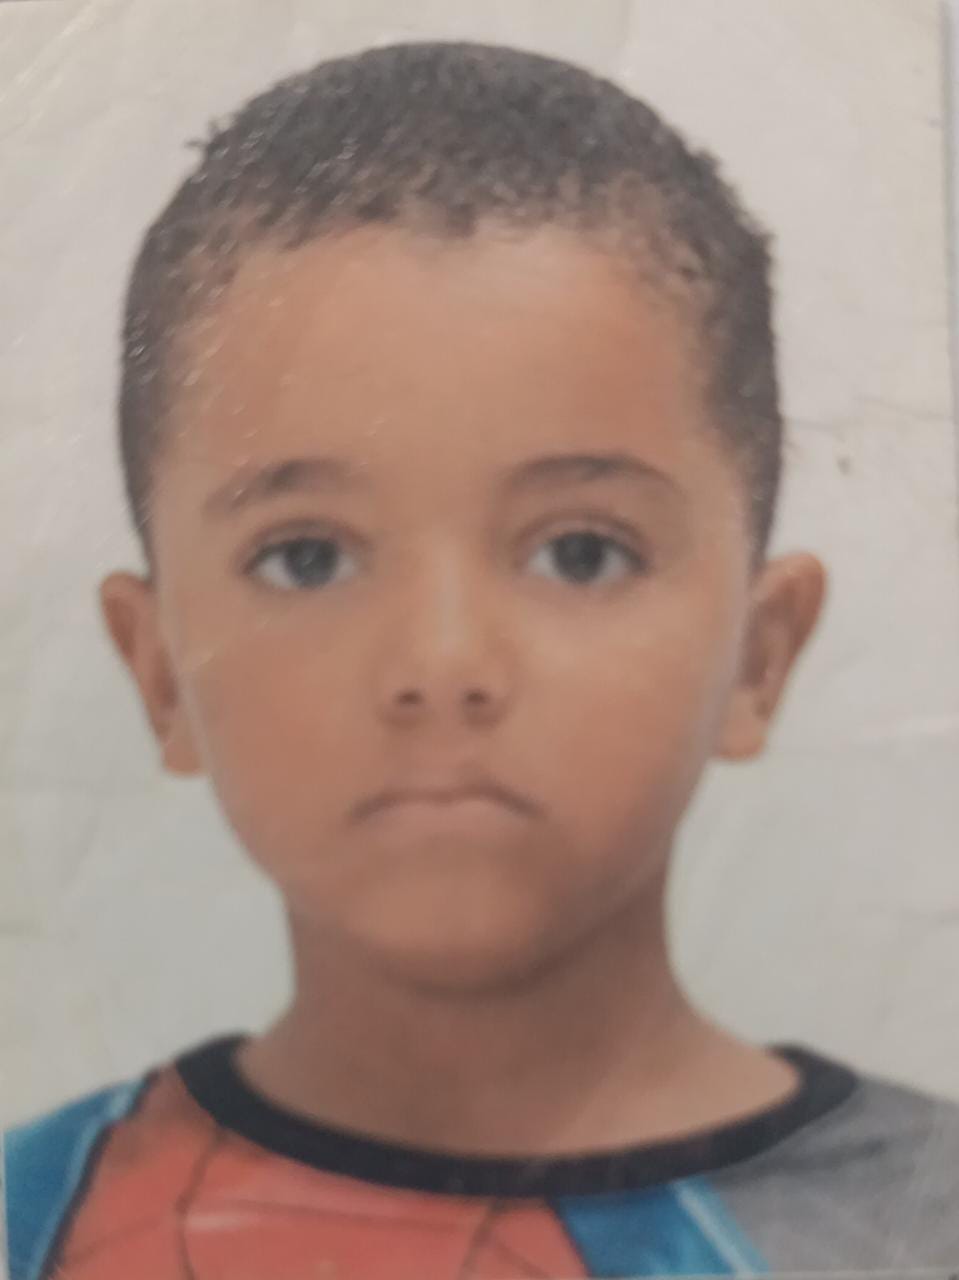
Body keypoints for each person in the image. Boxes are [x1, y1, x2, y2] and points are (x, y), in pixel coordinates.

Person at [3, 41, 957, 1280]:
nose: (441, 662)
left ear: (757, 656)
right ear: (160, 672)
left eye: (579, 551)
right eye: (306, 557)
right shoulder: (32, 1221)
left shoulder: (924, 1226)